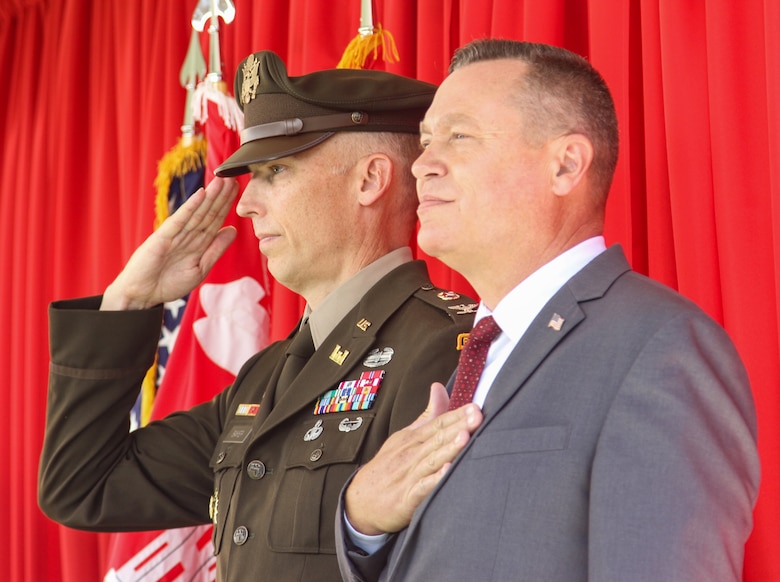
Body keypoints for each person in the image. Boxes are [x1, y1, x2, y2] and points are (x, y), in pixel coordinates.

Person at [38, 50, 476, 582]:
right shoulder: (264, 377)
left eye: (274, 171)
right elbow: (84, 486)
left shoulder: (449, 345)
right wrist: (129, 303)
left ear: (369, 181)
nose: (246, 206)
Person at [336, 39, 760, 582]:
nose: (422, 165)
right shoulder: (468, 353)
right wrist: (363, 523)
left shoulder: (660, 350)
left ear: (565, 165)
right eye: (424, 141)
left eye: (459, 136)